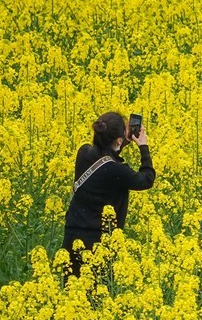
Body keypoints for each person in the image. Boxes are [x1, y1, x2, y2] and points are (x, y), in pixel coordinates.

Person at [62, 111, 155, 273]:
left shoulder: (83, 152)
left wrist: (120, 143)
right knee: (94, 295)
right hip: (98, 245)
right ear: (119, 140)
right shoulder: (115, 171)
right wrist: (143, 146)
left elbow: (104, 154)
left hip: (72, 237)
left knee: (72, 294)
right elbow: (146, 179)